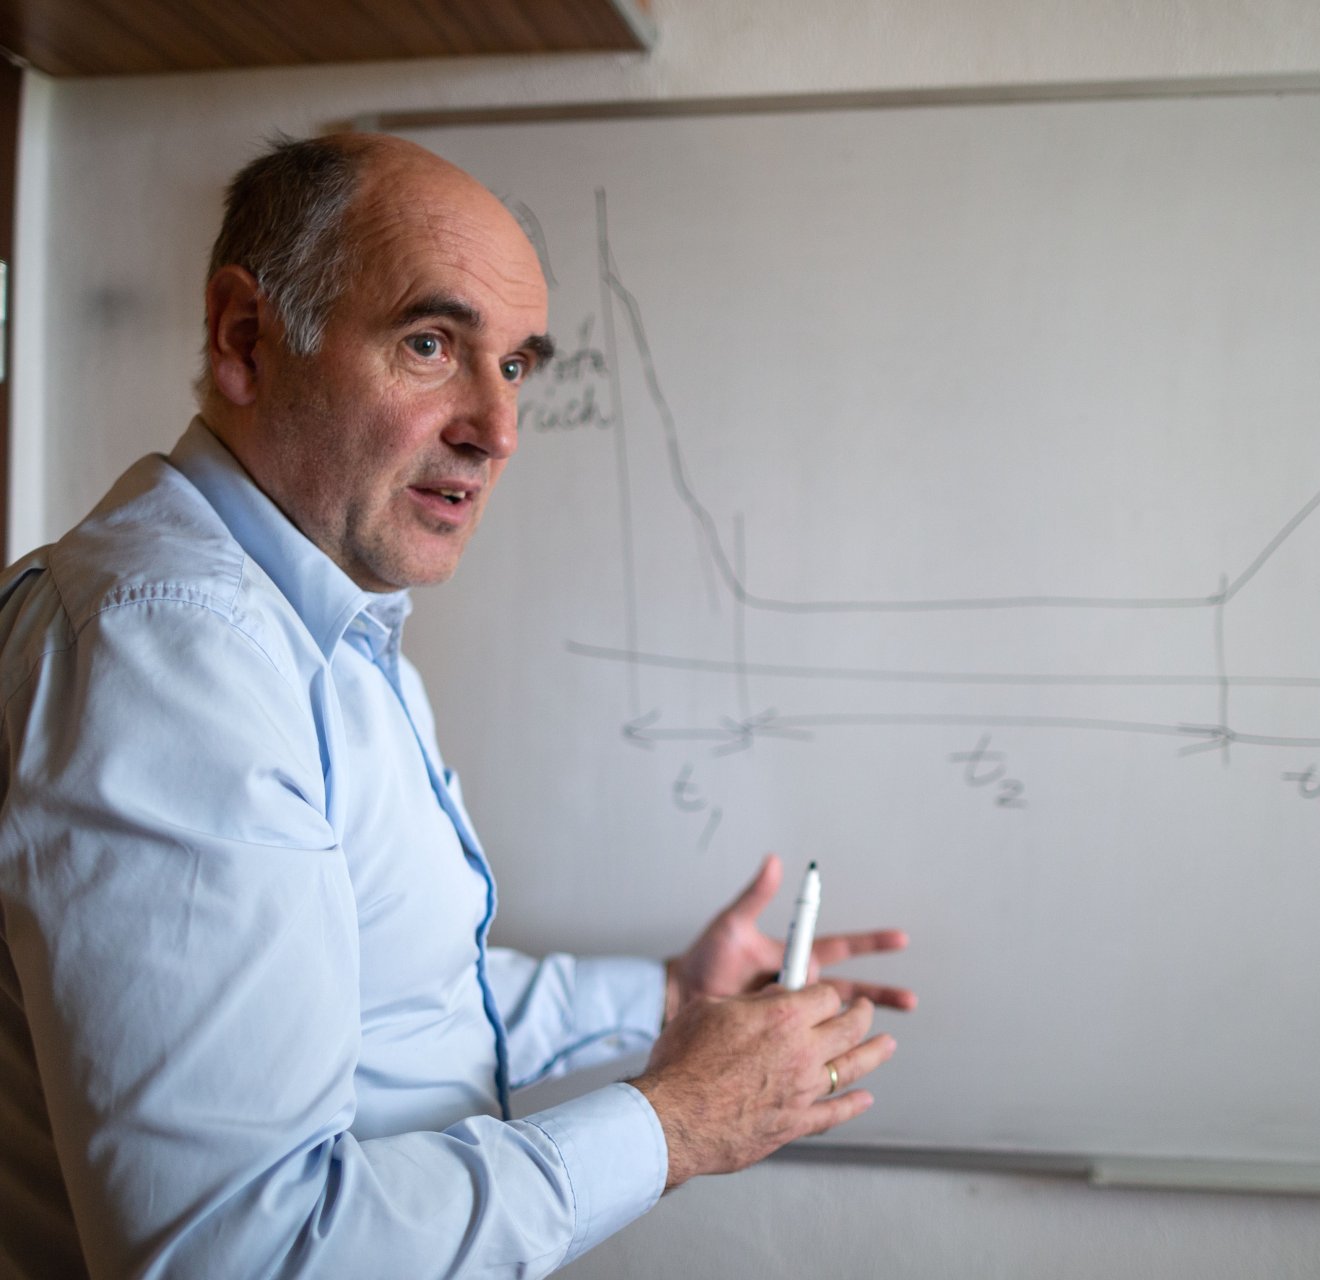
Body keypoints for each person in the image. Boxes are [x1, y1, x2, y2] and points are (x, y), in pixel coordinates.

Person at [0, 132, 912, 1278]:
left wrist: (670, 994)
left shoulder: (321, 623)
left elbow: (400, 999)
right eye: (431, 344)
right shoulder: (171, 659)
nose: (498, 428)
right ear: (245, 339)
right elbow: (238, 1251)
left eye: (517, 364)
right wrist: (676, 1122)